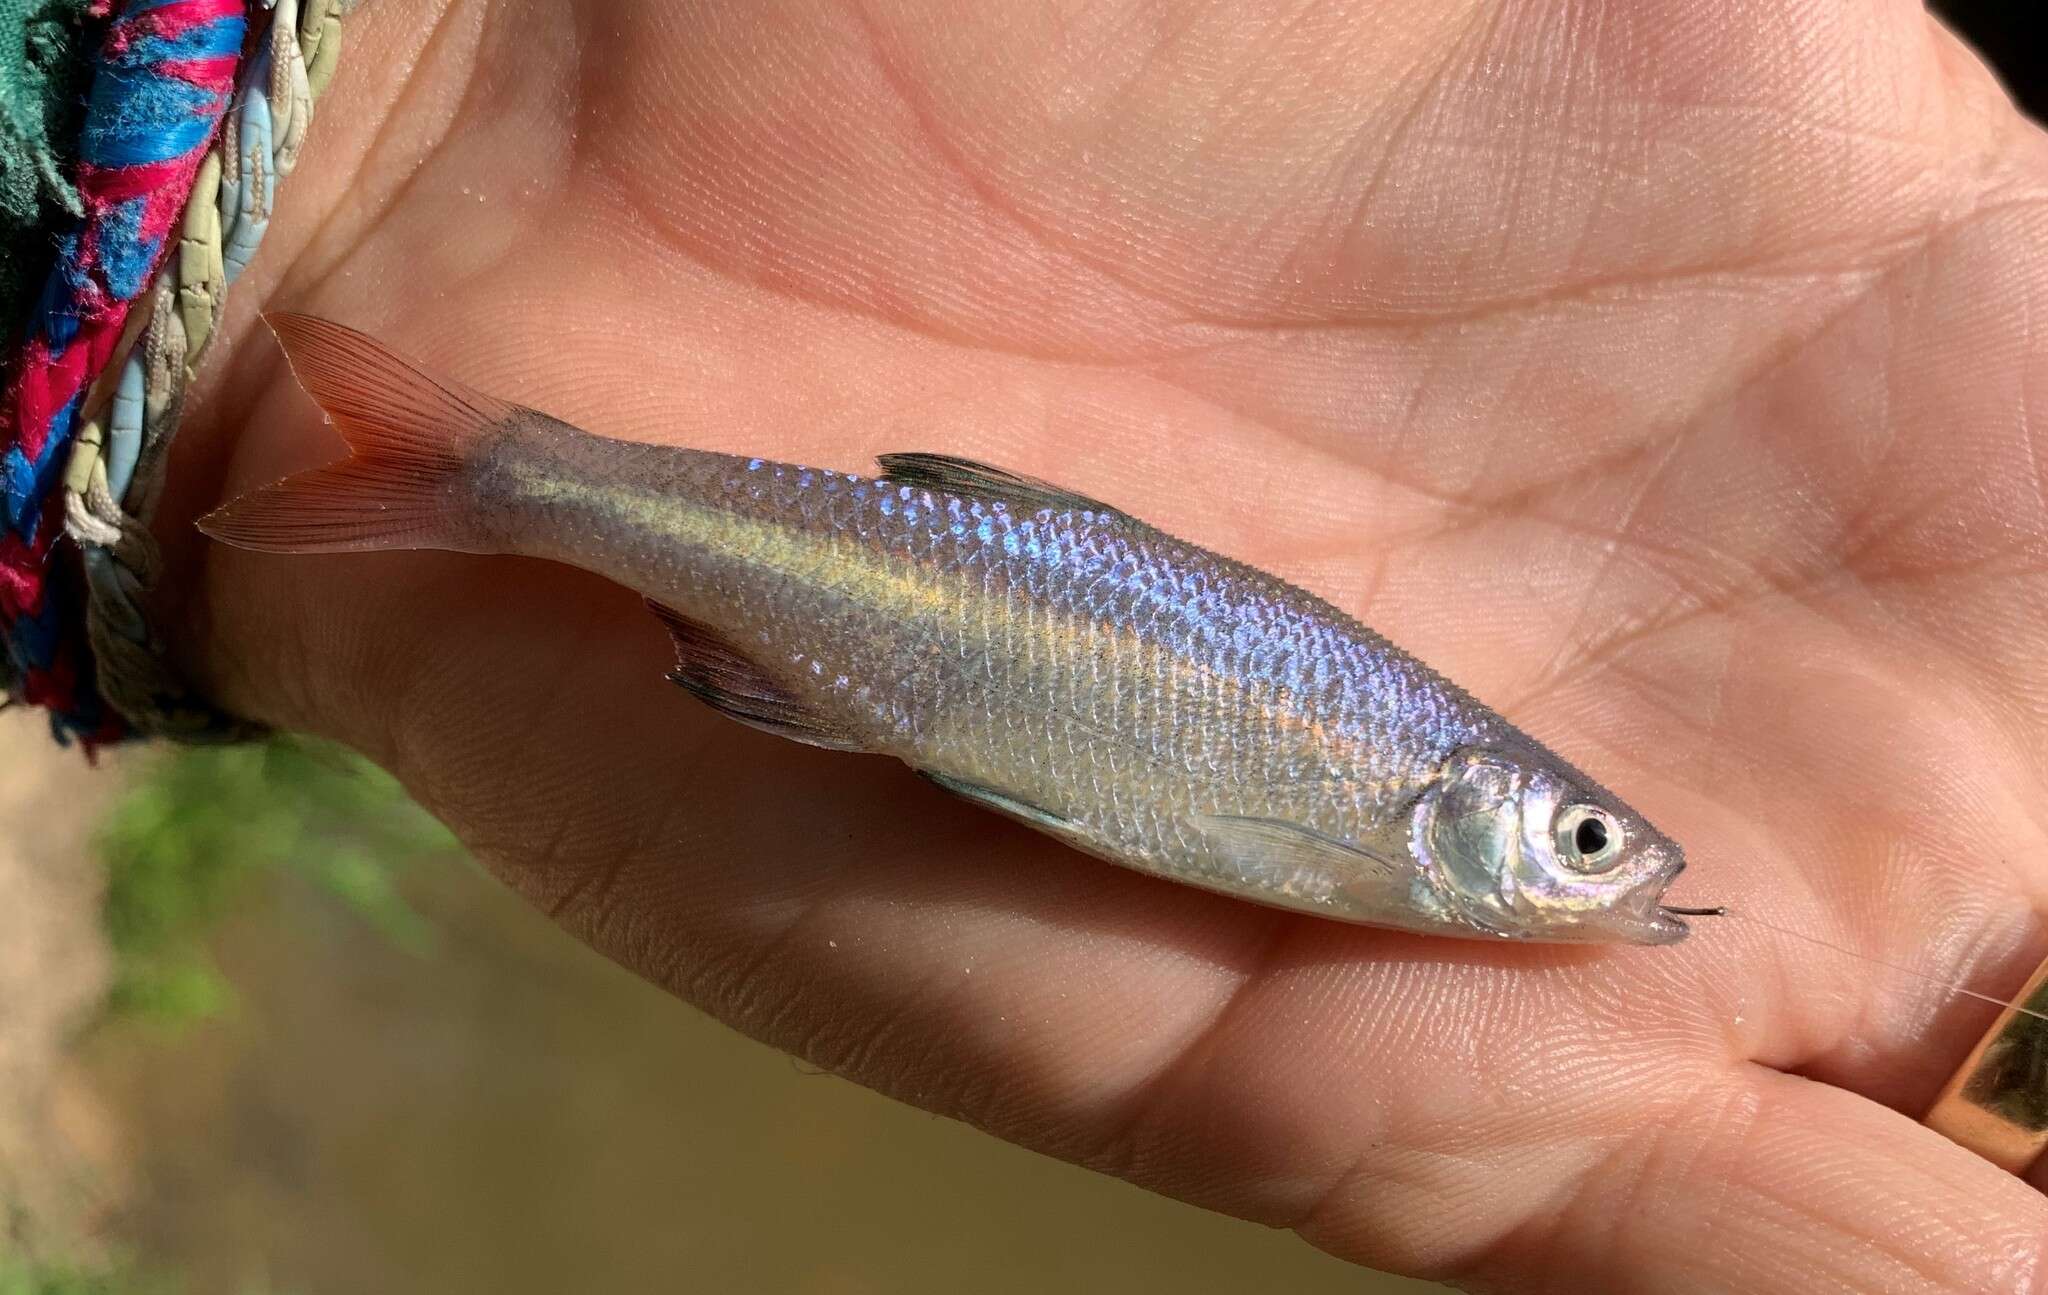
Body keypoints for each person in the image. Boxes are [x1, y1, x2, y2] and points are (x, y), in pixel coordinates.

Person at [154, 2, 2048, 1288]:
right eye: (1581, 842)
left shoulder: (1404, 830)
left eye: (1597, 850)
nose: (1604, 877)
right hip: (899, 596)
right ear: (1463, 807)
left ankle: (456, 458)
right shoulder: (1389, 814)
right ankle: (495, 476)